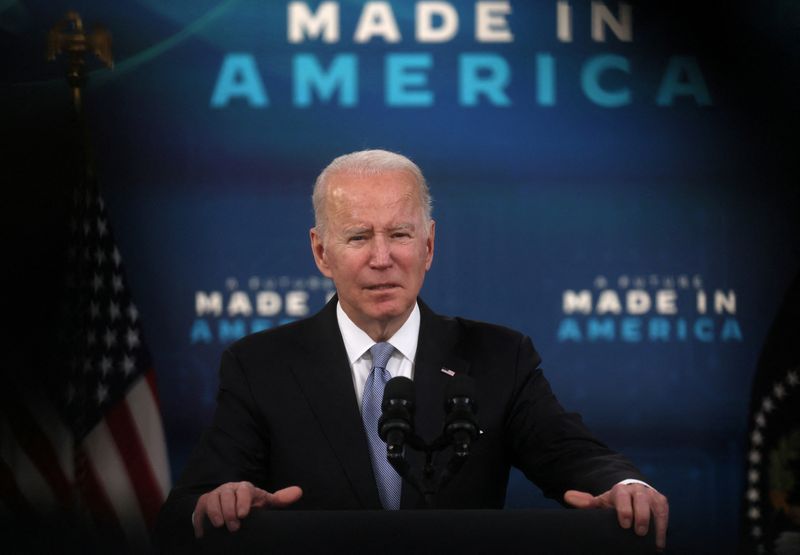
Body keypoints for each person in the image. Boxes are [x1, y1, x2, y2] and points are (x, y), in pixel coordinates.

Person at [157, 150, 669, 550]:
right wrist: (220, 502)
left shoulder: (499, 356)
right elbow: (186, 509)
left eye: (400, 234)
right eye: (359, 237)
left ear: (428, 245)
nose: (383, 258)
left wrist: (623, 484)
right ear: (321, 251)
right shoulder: (260, 365)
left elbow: (570, 454)